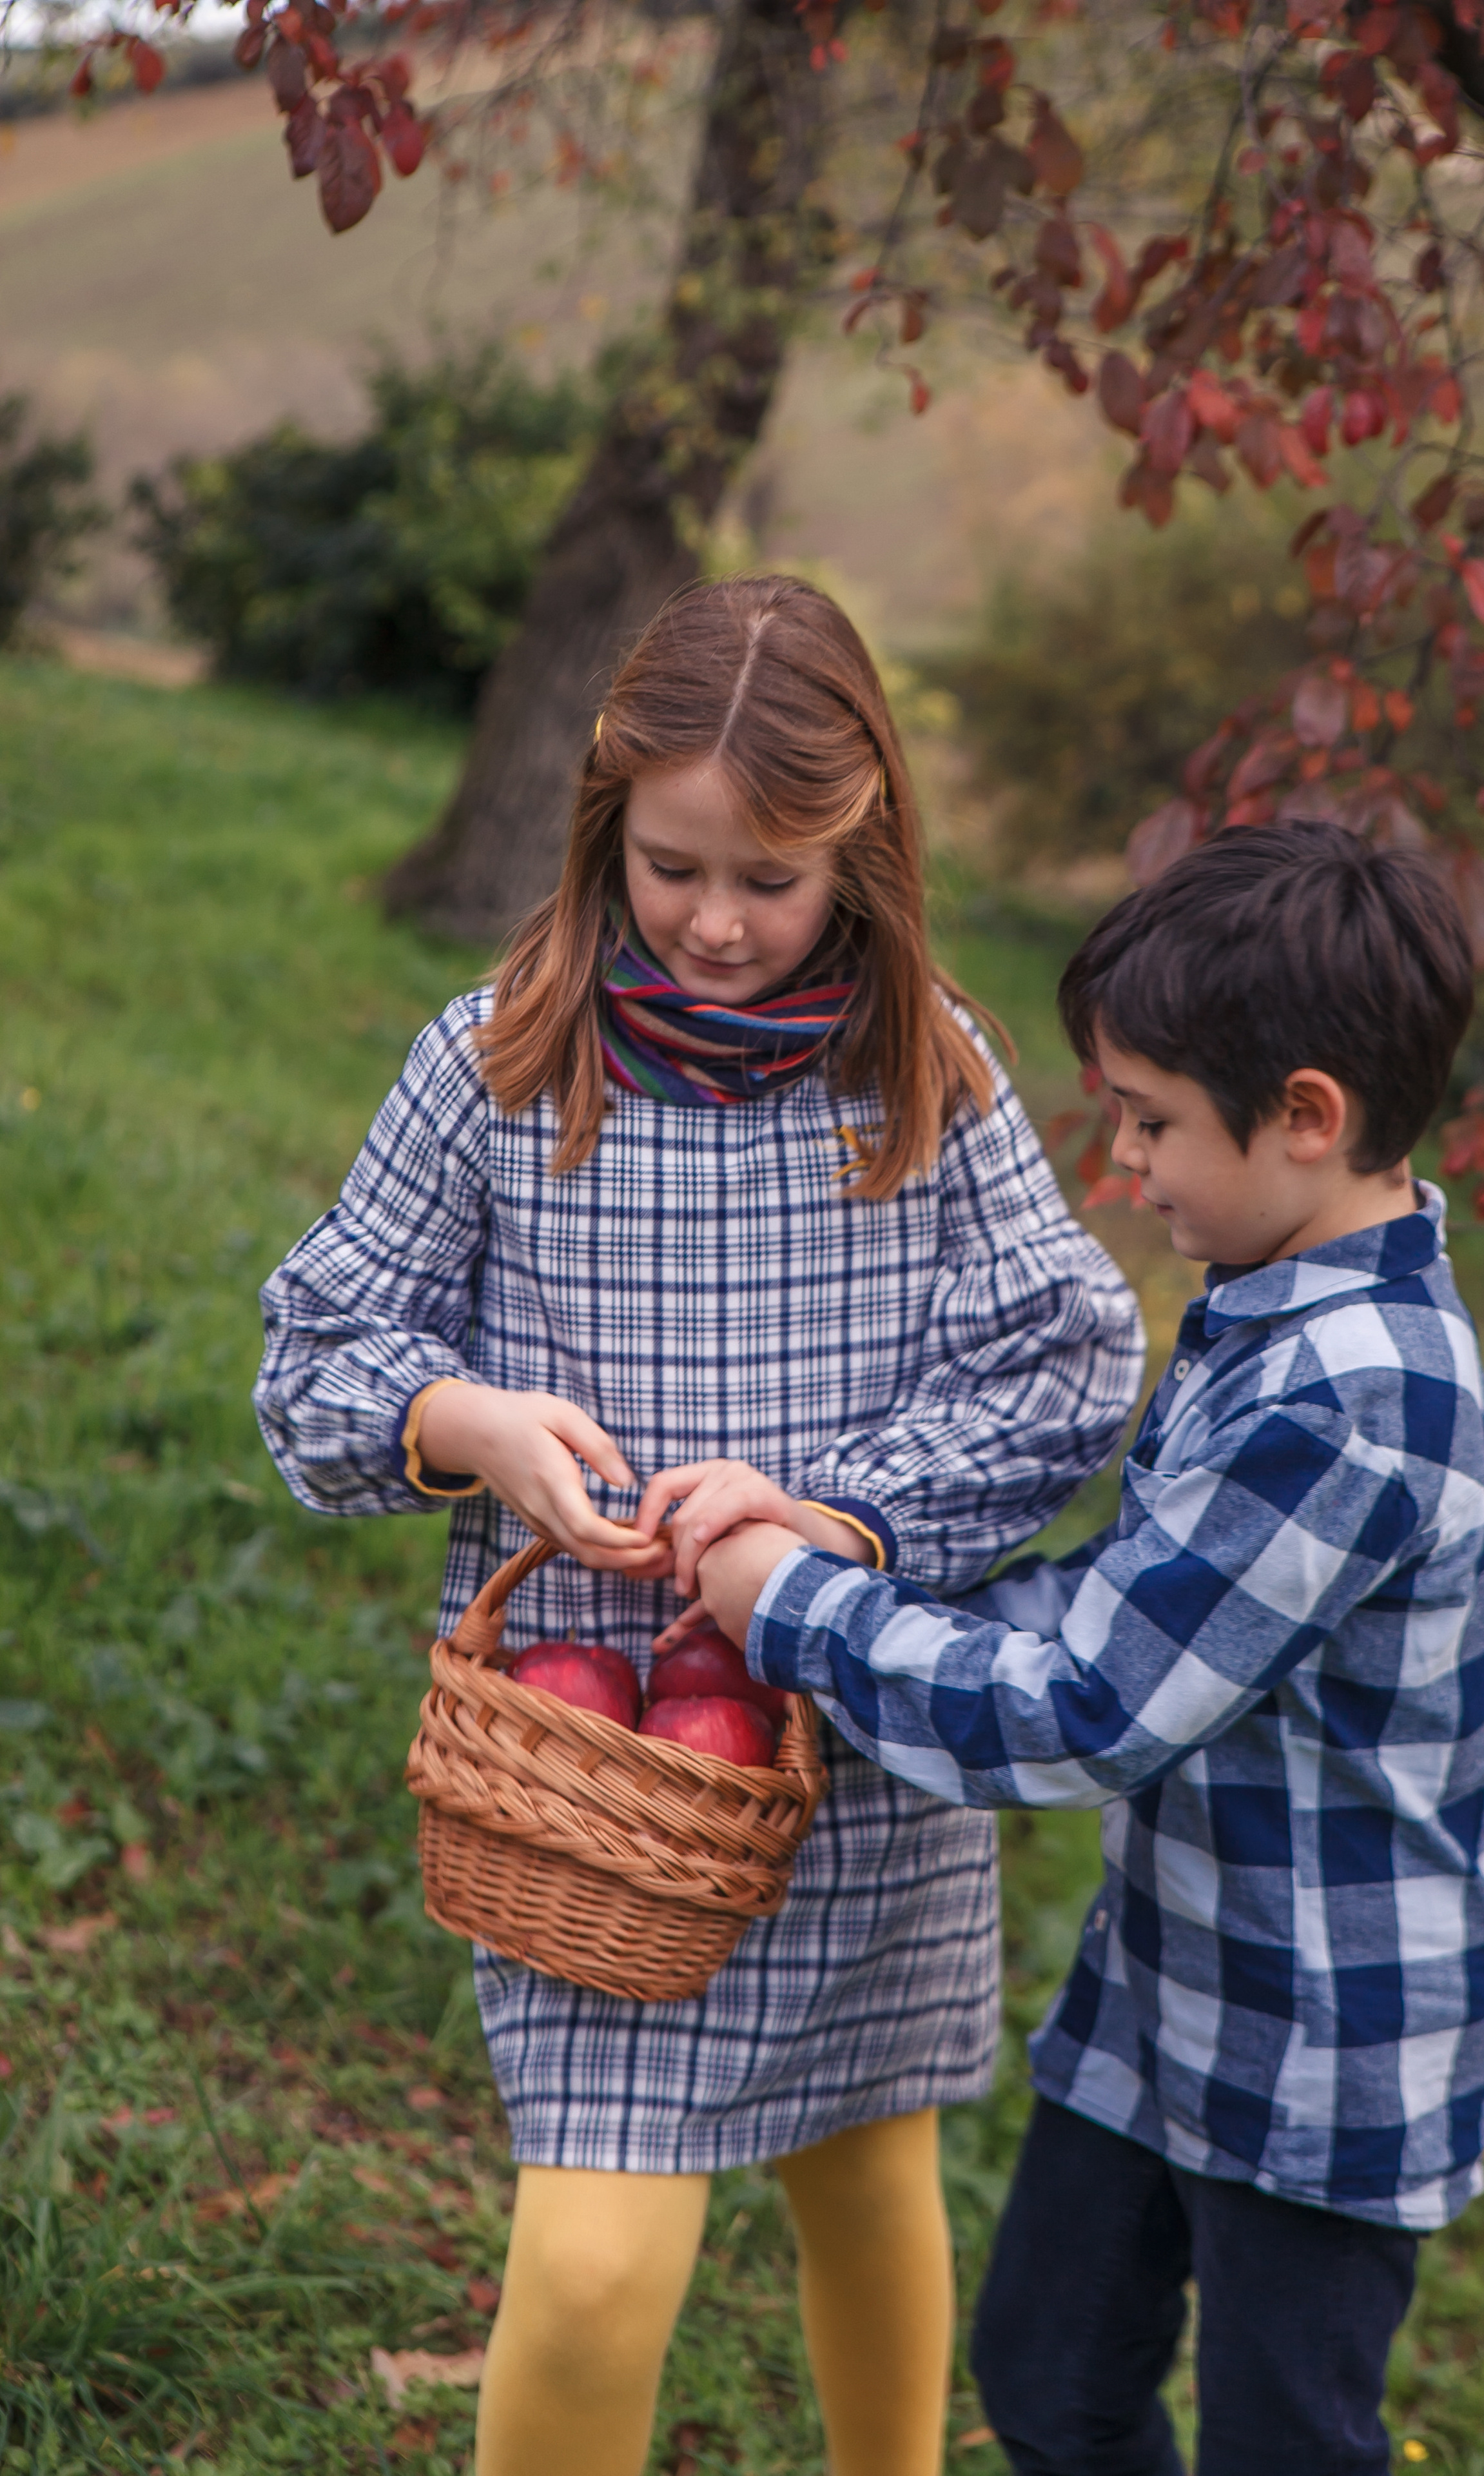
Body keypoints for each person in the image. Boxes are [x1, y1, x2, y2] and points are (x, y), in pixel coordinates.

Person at [253, 573, 1146, 2476]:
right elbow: (309, 1358)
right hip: (589, 1790)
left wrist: (832, 1518)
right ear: (605, 824)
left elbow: (1069, 1365)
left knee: (867, 2177)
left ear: (863, 850)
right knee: (591, 2269)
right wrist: (464, 1423)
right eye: (672, 868)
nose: (718, 923)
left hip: (849, 1749)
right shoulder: (501, 1058)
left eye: (772, 879)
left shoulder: (928, 1072)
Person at [694, 821, 1484, 2476]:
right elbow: (1114, 1604)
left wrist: (789, 1609)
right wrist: (840, 1571)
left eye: (1150, 1121)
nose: (1124, 1162)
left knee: (1284, 2439)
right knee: (1048, 2374)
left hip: (1323, 2039)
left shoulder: (1354, 1399)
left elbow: (1087, 1709)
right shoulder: (1270, 1305)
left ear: (1305, 1117)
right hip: (1170, 1985)